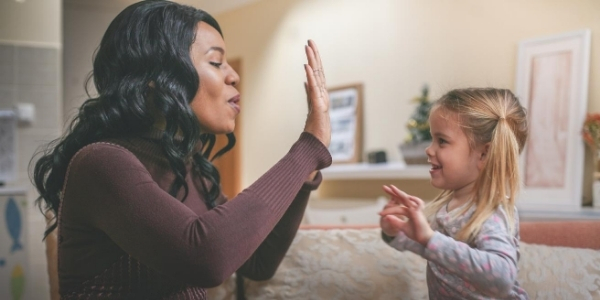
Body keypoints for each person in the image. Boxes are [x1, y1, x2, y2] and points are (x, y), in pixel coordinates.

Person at [31, 0, 331, 298]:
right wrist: (307, 148)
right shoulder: (101, 163)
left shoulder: (195, 171)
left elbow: (258, 264)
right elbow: (205, 258)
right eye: (216, 62)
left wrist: (306, 171)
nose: (233, 76)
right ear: (155, 78)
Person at [379, 88, 530, 299]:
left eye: (442, 141)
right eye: (432, 139)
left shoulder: (490, 211)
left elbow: (502, 277)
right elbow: (430, 248)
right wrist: (396, 230)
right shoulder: (449, 207)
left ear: (484, 154)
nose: (429, 150)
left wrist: (430, 238)